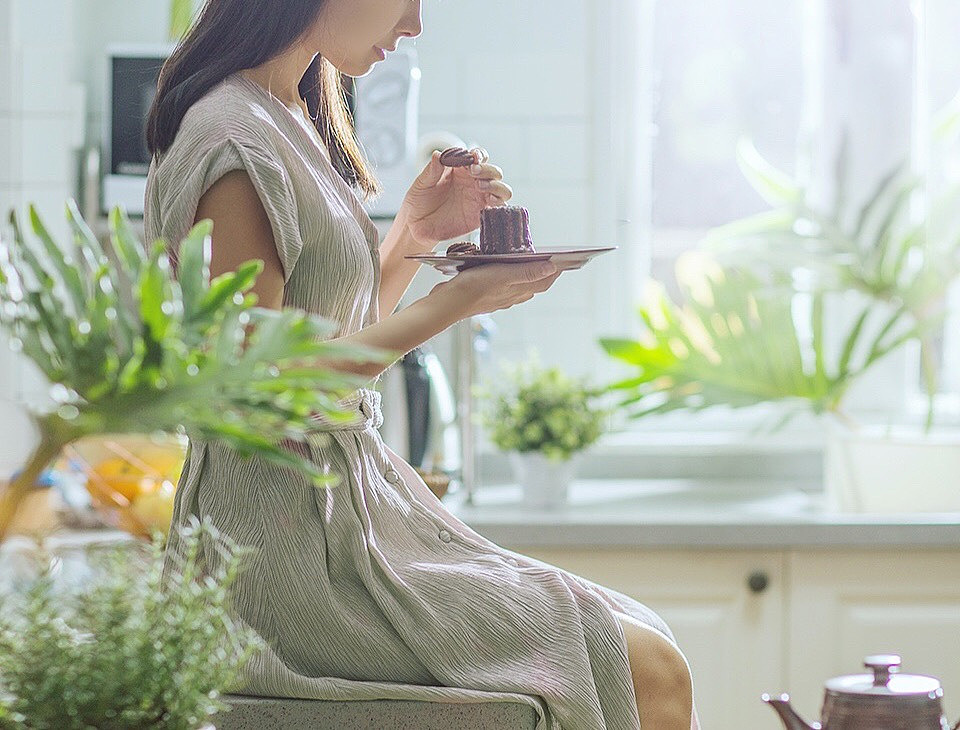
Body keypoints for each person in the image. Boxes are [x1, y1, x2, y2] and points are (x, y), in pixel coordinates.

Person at [144, 1, 700, 727]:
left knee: (645, 642)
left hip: (347, 515)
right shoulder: (231, 136)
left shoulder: (286, 113)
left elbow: (325, 330)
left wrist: (413, 232)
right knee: (643, 666)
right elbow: (263, 381)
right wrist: (453, 305)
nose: (413, 26)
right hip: (283, 545)